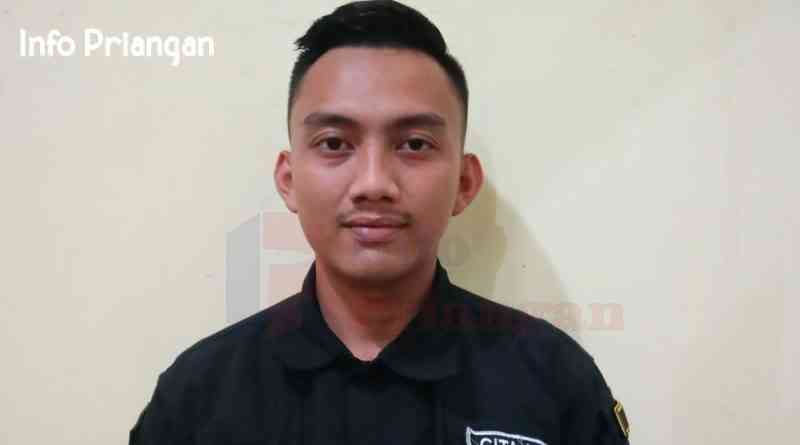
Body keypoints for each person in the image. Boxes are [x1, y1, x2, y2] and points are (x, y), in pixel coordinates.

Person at [129, 1, 631, 444]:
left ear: (463, 183)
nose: (373, 183)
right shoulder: (199, 396)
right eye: (334, 143)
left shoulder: (554, 382)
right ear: (289, 179)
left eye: (413, 144)